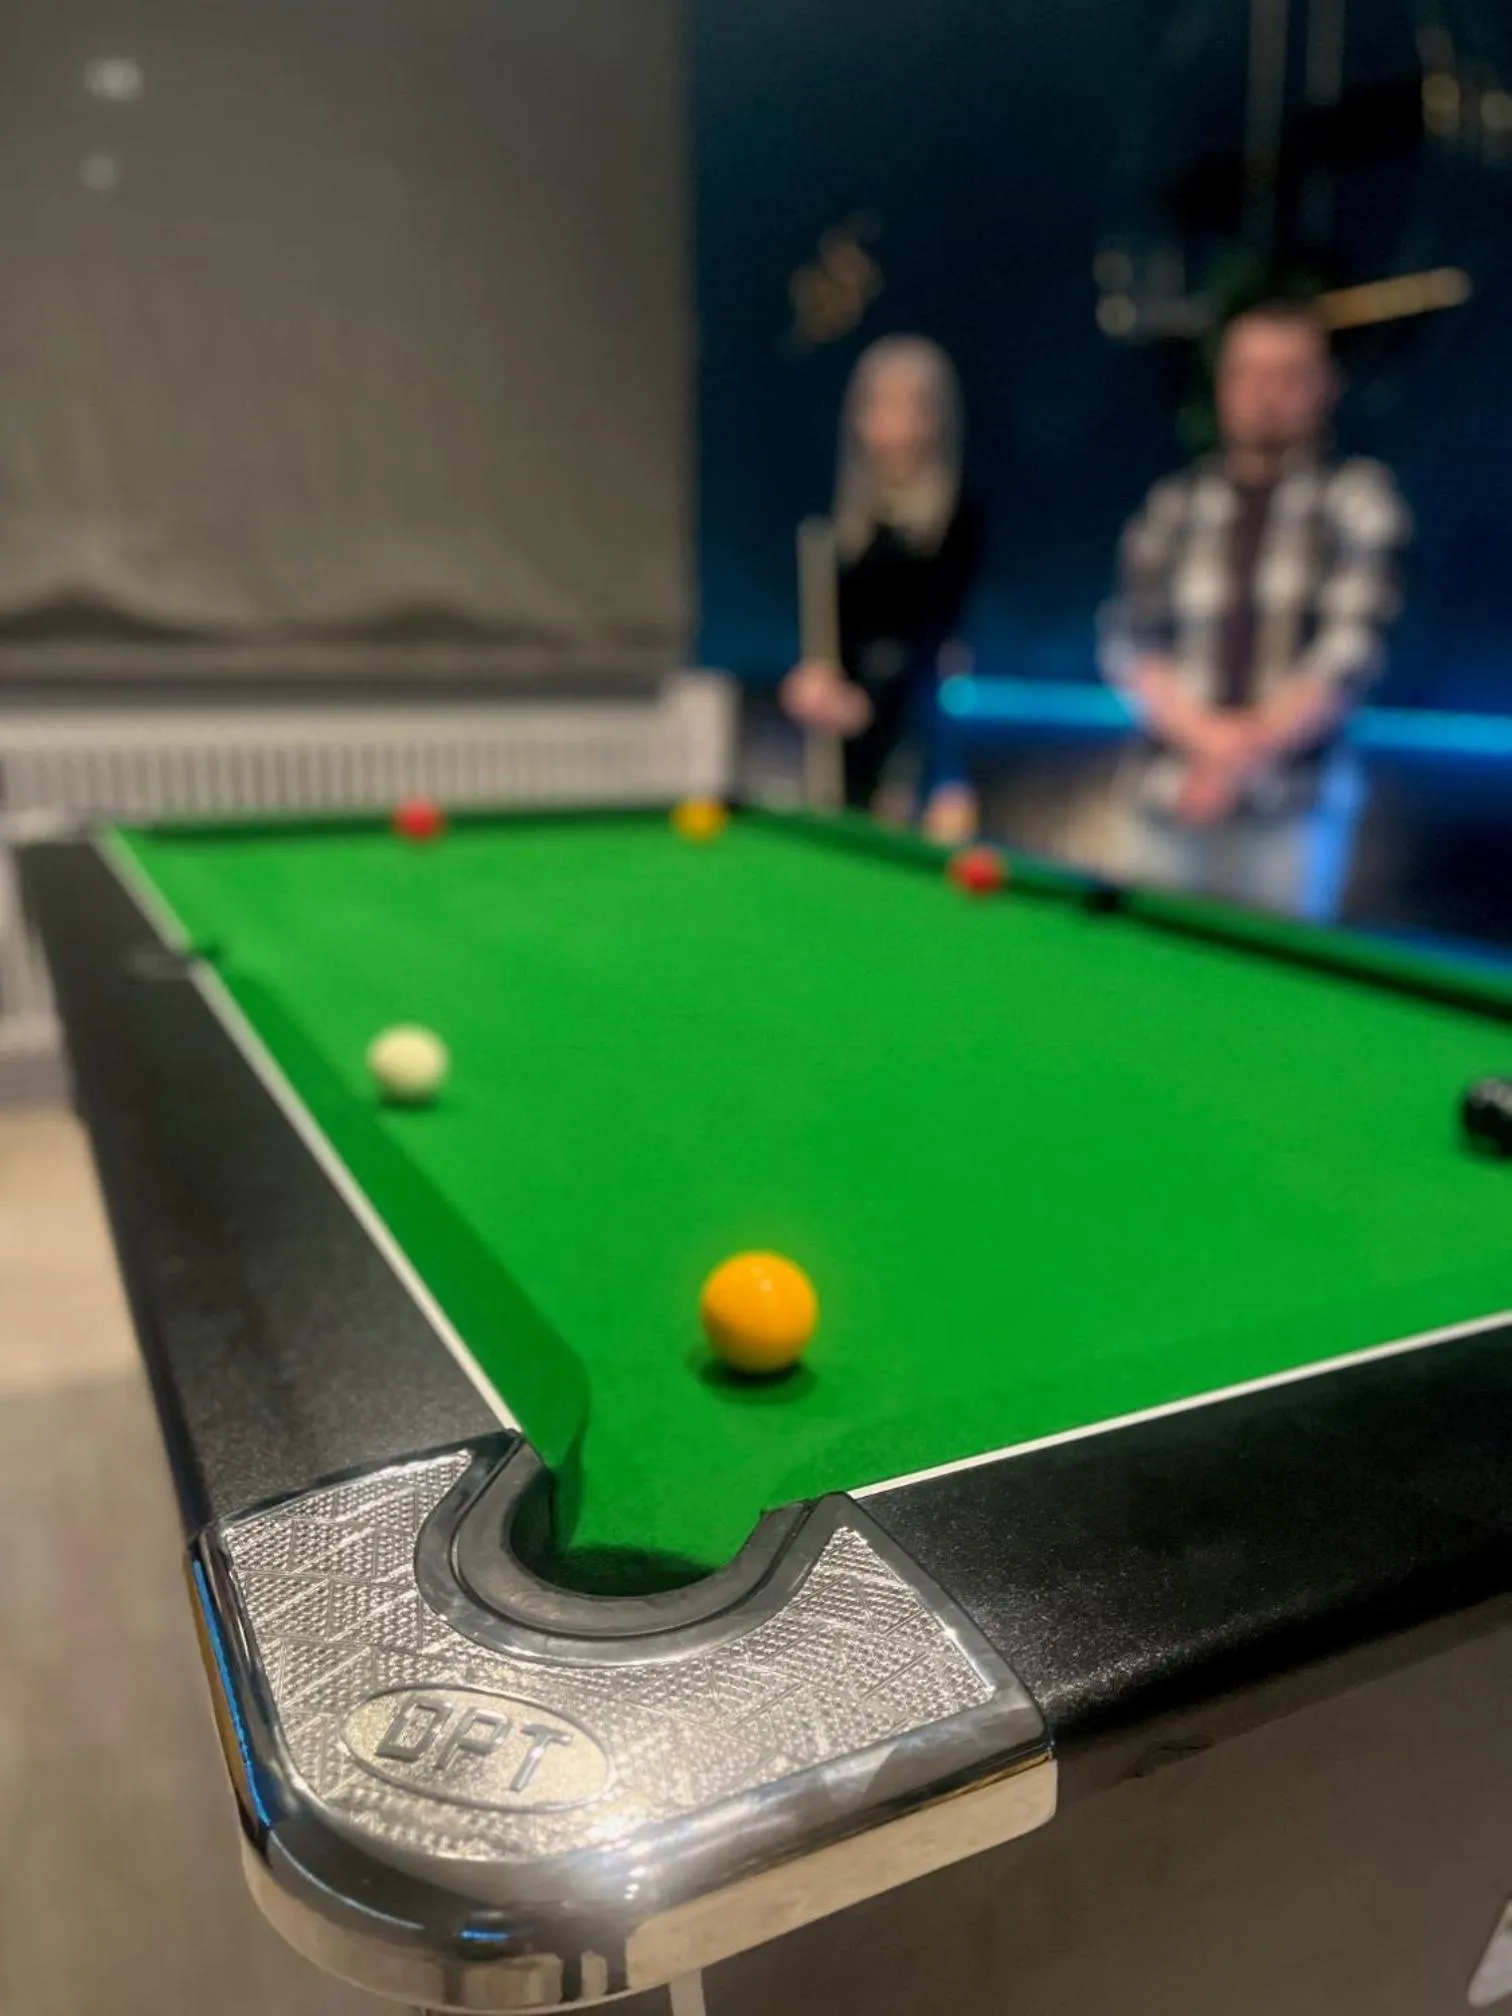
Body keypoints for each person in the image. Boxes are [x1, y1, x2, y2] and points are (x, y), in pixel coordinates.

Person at [1101, 299, 1411, 919]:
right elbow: (1130, 643)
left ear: (1324, 387)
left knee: (1274, 1006)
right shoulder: (1173, 504)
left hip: (1289, 820)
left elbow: (1349, 656)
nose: (1266, 393)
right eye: (1249, 373)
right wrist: (1213, 747)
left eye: (1288, 374)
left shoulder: (1360, 501)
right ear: (1222, 386)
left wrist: (1233, 760)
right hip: (1168, 805)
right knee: (1149, 1000)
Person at [782, 336, 986, 843]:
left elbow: (938, 649)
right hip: (838, 755)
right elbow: (827, 644)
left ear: (936, 421)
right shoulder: (838, 529)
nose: (894, 426)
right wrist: (807, 684)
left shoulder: (959, 522)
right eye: (880, 405)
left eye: (912, 407)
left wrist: (872, 709)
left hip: (917, 748)